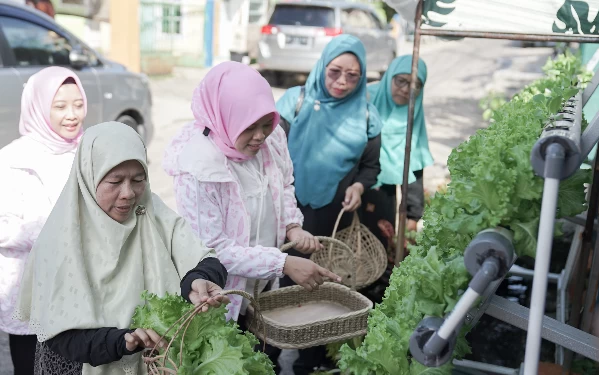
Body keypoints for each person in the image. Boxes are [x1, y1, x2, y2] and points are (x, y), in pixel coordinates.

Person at [163, 61, 340, 373]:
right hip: (222, 295)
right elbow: (213, 251)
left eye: (266, 123)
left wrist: (292, 225)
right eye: (250, 127)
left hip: (263, 287)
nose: (260, 136)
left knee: (264, 358)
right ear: (224, 118)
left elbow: (284, 182)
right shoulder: (198, 167)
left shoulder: (272, 140)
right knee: (232, 359)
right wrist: (283, 263)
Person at [13, 122, 229, 375]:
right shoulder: (60, 241)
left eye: (138, 180)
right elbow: (61, 336)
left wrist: (198, 279)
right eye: (115, 181)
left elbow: (204, 258)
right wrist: (122, 340)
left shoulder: (151, 211)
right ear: (88, 176)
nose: (128, 193)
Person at [275, 34, 383, 374]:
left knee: (323, 287)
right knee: (276, 285)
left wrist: (359, 187)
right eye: (335, 71)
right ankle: (269, 355)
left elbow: (371, 167)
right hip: (285, 211)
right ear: (322, 66)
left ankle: (310, 359)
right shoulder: (294, 102)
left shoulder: (366, 114)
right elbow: (269, 160)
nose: (342, 82)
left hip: (332, 215)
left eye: (353, 75)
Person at [0, 67, 87, 375]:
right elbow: (4, 227)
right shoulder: (13, 159)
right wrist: (59, 232)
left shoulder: (86, 151)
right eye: (60, 106)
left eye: (78, 104)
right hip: (29, 286)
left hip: (76, 285)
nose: (72, 115)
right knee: (29, 363)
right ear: (38, 106)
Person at [361, 55, 433, 249]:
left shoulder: (413, 112)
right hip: (353, 183)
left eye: (415, 84)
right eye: (401, 80)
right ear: (390, 76)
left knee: (380, 245)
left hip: (384, 190)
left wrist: (413, 214)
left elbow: (414, 161)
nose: (406, 89)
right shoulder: (366, 98)